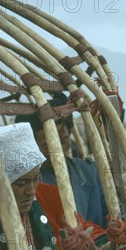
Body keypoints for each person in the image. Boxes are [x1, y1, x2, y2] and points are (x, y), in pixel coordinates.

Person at [15, 94, 109, 228]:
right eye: (48, 146)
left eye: (64, 142)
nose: (58, 151)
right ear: (32, 145)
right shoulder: (29, 182)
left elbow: (112, 214)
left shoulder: (89, 171)